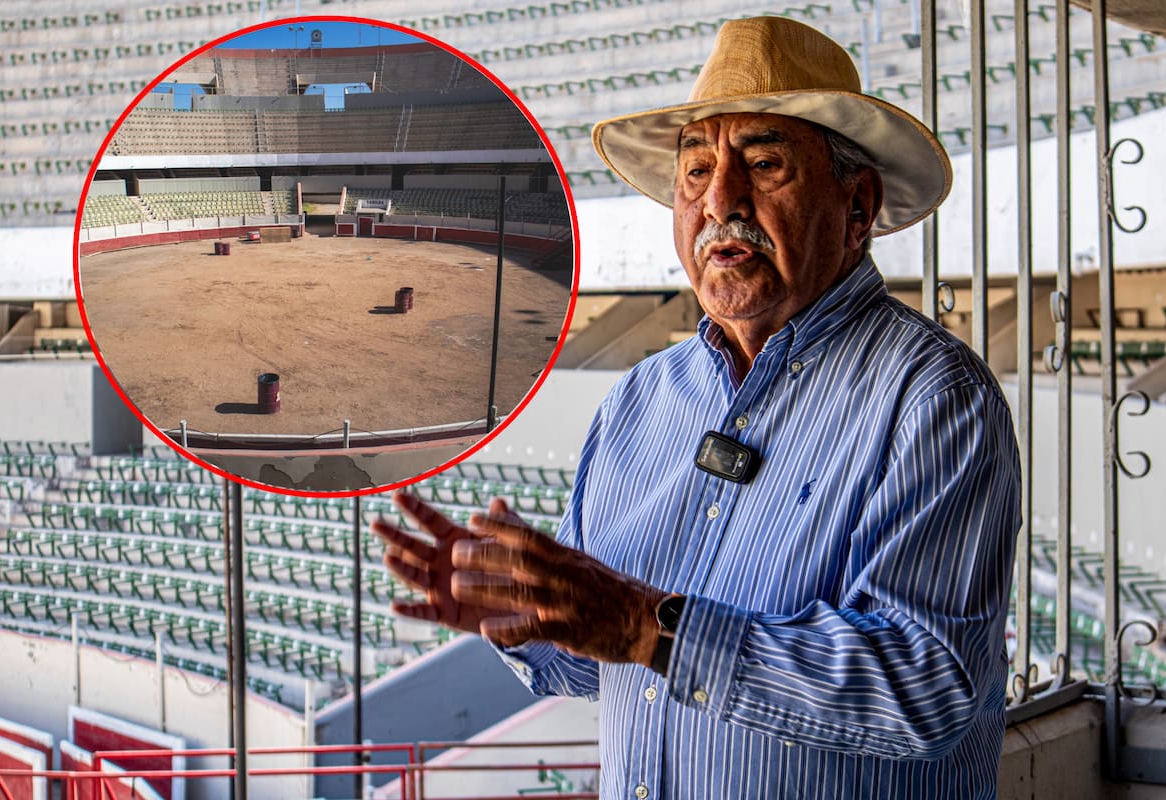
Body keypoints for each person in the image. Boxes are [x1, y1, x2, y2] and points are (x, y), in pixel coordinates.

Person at [375, 16, 1021, 799]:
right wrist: (523, 614)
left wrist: (653, 629)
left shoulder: (933, 400)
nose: (720, 200)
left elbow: (922, 692)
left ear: (857, 207)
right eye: (696, 170)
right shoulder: (639, 403)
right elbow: (597, 662)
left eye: (765, 163)